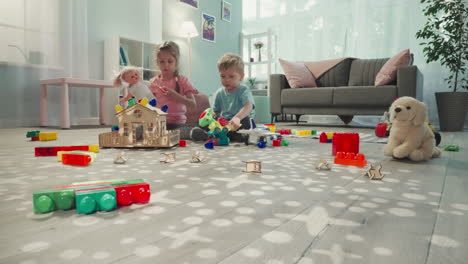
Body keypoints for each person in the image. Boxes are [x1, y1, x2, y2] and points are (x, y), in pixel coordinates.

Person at [191, 53, 255, 143]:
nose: (226, 79)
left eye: (231, 76)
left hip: (239, 122)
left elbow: (248, 106)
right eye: (223, 76)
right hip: (224, 123)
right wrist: (211, 116)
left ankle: (230, 136)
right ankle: (208, 134)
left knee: (246, 121)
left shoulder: (244, 90)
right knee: (211, 121)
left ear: (241, 76)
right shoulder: (219, 93)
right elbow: (216, 111)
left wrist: (237, 118)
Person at [149, 41, 197, 138]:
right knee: (143, 130)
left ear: (176, 62)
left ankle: (194, 133)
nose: (166, 65)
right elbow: (149, 105)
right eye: (162, 61)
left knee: (184, 132)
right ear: (157, 62)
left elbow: (193, 104)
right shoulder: (153, 82)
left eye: (170, 61)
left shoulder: (182, 80)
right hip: (159, 123)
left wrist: (175, 96)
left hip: (178, 124)